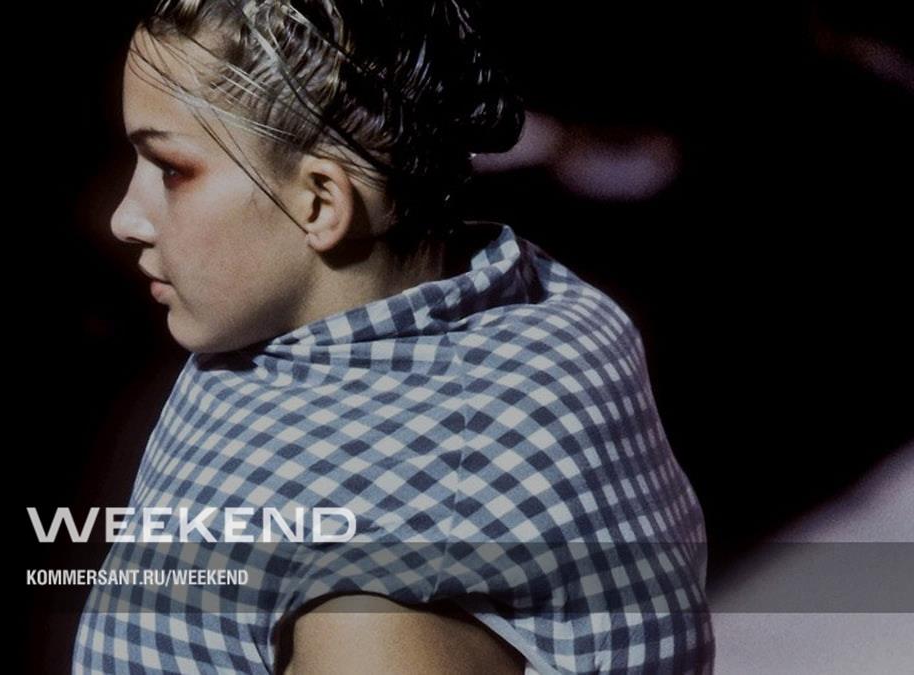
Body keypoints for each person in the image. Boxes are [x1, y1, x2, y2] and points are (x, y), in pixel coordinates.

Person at [74, 1, 713, 673]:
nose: (125, 219)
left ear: (319, 201)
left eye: (171, 168)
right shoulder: (551, 306)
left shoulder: (374, 607)